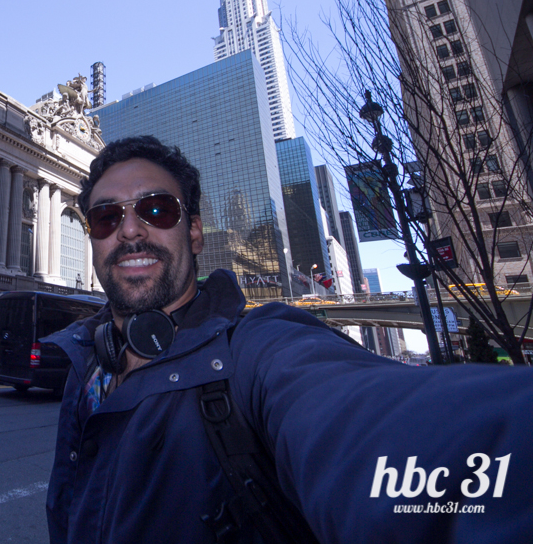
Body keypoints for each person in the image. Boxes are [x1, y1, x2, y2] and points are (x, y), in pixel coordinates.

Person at [45, 135, 533, 544]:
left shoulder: (259, 350)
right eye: (107, 217)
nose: (130, 229)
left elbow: (375, 427)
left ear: (194, 232)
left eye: (157, 209)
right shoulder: (88, 364)